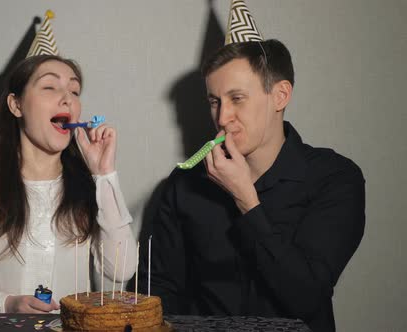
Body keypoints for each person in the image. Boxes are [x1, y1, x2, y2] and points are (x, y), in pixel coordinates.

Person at [139, 39, 365, 332]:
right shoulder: (185, 183)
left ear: (280, 96)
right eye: (214, 101)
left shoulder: (334, 177)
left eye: (237, 98)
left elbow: (307, 296)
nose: (222, 117)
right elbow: (159, 289)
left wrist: (246, 199)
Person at [0, 54, 137, 314]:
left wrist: (104, 174)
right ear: (16, 104)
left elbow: (122, 271)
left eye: (75, 91)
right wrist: (5, 305)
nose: (68, 98)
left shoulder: (92, 187)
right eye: (49, 87)